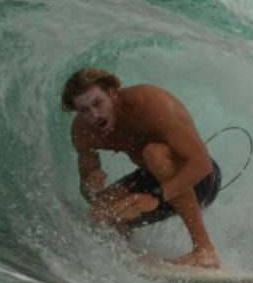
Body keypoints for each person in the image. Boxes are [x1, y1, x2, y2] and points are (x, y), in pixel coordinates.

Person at [61, 67, 222, 269]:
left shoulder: (151, 104)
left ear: (113, 93)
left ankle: (204, 249)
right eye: (84, 110)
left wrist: (155, 197)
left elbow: (202, 165)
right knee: (101, 209)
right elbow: (88, 193)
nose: (94, 115)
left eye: (98, 103)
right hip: (154, 183)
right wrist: (90, 185)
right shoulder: (83, 132)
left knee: (153, 153)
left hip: (198, 181)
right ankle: (130, 258)